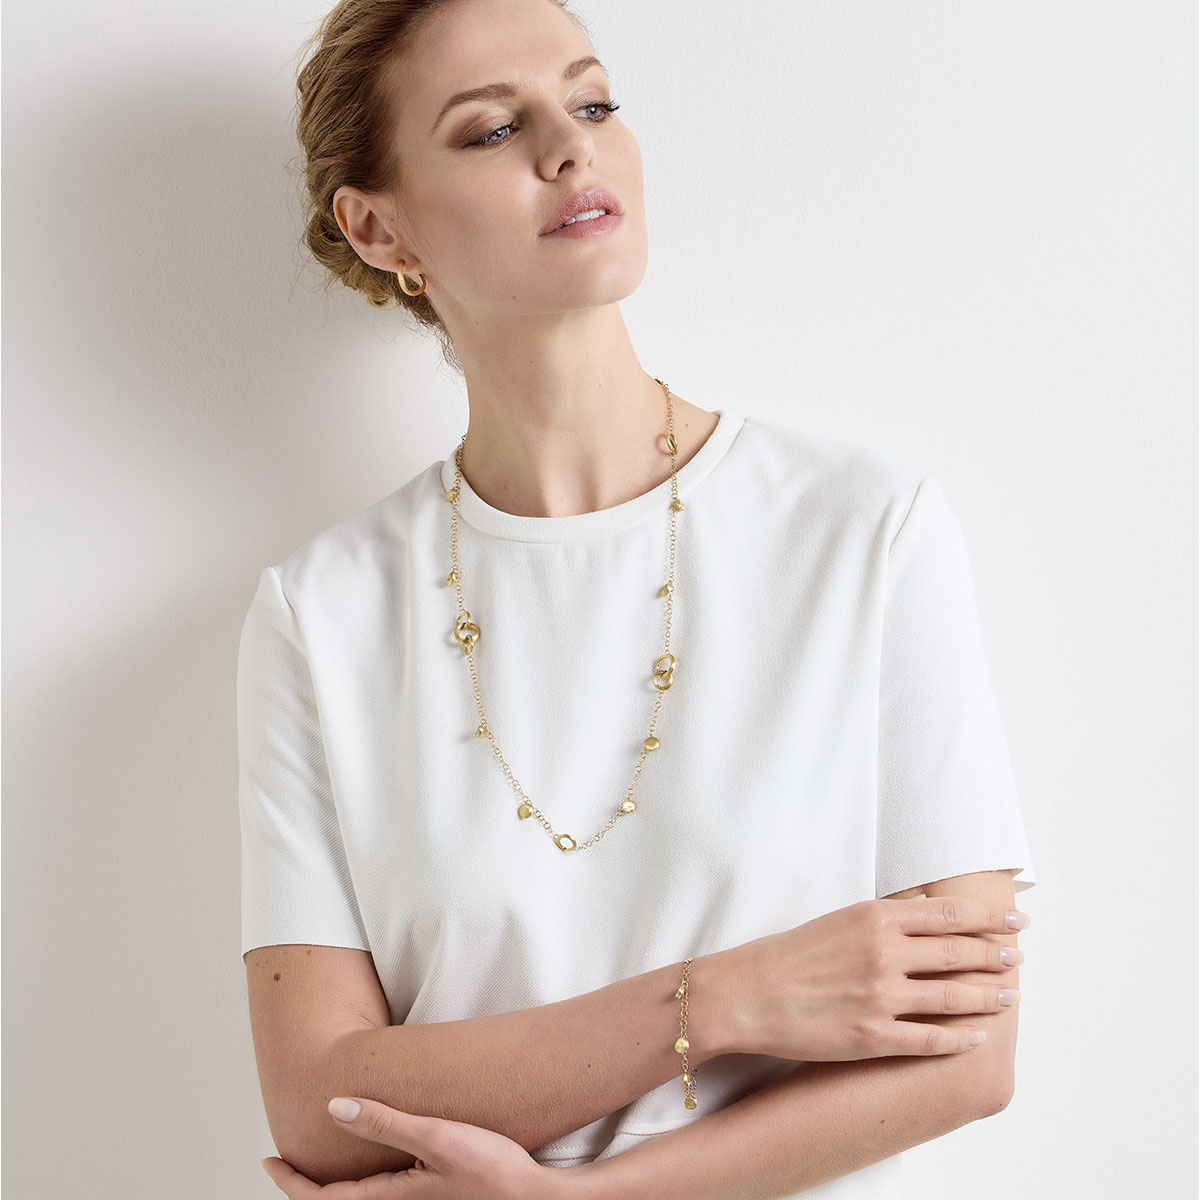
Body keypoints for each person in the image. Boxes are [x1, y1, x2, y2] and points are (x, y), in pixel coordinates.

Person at [239, 0, 1038, 1195]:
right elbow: (322, 1106)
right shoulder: (321, 613)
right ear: (379, 227)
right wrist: (721, 1000)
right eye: (492, 128)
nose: (571, 147)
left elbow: (967, 1054)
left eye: (594, 101)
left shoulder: (863, 529)